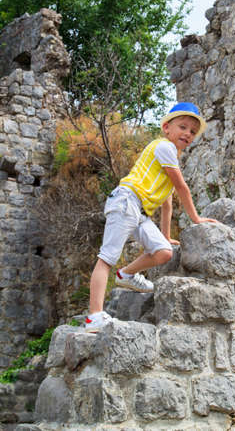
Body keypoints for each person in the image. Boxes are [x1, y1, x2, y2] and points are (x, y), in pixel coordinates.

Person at [85, 102, 218, 332]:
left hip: (140, 212)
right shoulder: (164, 147)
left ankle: (126, 274)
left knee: (163, 252)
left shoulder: (170, 160)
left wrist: (166, 236)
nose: (187, 133)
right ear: (167, 127)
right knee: (106, 258)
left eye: (192, 132)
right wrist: (196, 218)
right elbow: (182, 187)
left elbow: (167, 204)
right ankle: (94, 316)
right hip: (126, 200)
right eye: (183, 127)